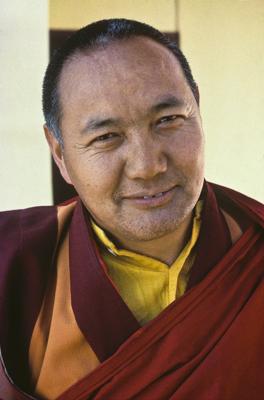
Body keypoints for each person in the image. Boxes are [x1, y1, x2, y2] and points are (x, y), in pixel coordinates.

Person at [0, 18, 263, 400]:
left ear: (198, 110)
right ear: (59, 152)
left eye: (168, 120)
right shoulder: (14, 267)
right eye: (106, 137)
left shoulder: (252, 253)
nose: (147, 166)